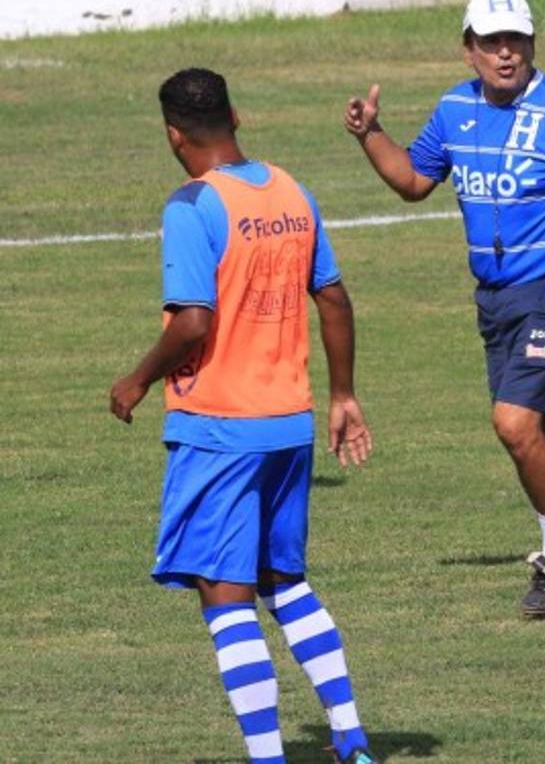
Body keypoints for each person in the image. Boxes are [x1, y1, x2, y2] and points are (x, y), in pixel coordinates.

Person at [343, 0, 545, 617]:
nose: (505, 53)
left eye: (517, 41)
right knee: (544, 434)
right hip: (497, 298)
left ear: (532, 45)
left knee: (514, 424)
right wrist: (371, 135)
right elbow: (413, 181)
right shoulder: (455, 108)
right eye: (491, 42)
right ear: (468, 49)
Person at [109, 68, 377, 764]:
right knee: (283, 582)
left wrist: (138, 380)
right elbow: (336, 300)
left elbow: (193, 321)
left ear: (173, 135)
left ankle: (267, 757)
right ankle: (349, 737)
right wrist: (343, 395)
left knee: (226, 598)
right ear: (236, 115)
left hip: (221, 428)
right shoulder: (291, 190)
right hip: (289, 423)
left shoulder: (193, 205)